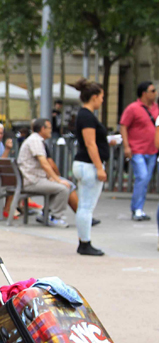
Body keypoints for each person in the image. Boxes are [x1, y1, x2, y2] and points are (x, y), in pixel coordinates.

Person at [73, 79, 114, 256]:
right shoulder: (87, 116)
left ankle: (84, 241)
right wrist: (99, 167)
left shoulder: (84, 115)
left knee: (84, 206)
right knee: (86, 207)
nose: (103, 100)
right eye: (102, 97)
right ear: (95, 97)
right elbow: (90, 144)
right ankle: (85, 242)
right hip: (88, 165)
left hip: (84, 164)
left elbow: (91, 142)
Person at [18, 118, 72, 228]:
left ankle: (46, 214)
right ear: (42, 128)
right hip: (32, 181)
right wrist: (57, 179)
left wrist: (52, 178)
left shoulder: (35, 139)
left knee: (60, 186)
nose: (51, 131)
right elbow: (44, 163)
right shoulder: (35, 140)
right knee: (63, 188)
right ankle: (54, 217)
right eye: (49, 128)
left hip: (32, 179)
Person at [119, 81, 157, 221]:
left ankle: (139, 208)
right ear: (144, 93)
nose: (155, 93)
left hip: (152, 150)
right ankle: (136, 209)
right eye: (152, 91)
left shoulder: (156, 108)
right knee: (142, 177)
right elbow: (123, 126)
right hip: (137, 150)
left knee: (145, 179)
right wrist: (126, 146)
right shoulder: (133, 108)